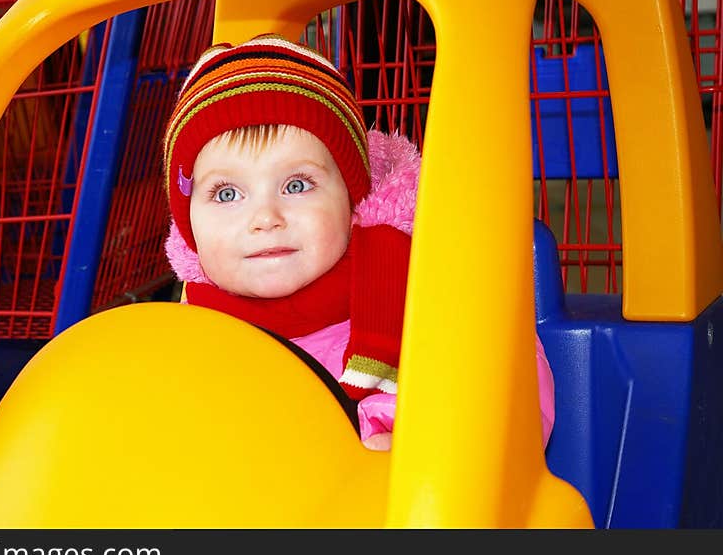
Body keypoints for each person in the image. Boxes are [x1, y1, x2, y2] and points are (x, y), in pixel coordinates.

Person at [163, 34, 555, 451]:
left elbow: (507, 381)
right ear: (189, 225)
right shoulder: (187, 337)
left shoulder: (421, 293)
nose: (265, 219)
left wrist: (400, 440)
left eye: (297, 185)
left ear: (353, 200)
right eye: (227, 194)